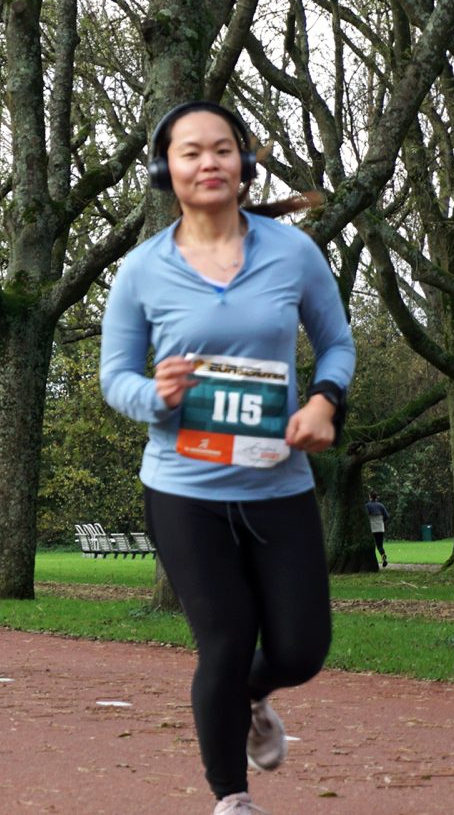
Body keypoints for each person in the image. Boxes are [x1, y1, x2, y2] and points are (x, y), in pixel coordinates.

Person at [98, 101, 355, 815]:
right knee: (226, 637)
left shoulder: (292, 253)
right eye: (191, 152)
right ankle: (232, 798)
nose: (208, 162)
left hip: (278, 483)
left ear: (243, 163)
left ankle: (251, 692)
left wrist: (324, 402)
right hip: (184, 487)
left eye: (222, 149)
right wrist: (156, 394)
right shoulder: (142, 271)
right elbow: (114, 377)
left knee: (301, 649)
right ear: (166, 170)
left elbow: (336, 343)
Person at [366, 492, 390, 567]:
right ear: (377, 497)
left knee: (370, 545)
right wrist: (381, 521)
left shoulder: (367, 506)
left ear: (369, 496)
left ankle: (370, 560)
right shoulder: (381, 505)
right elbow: (387, 516)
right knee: (380, 545)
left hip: (372, 528)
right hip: (380, 527)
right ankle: (383, 557)